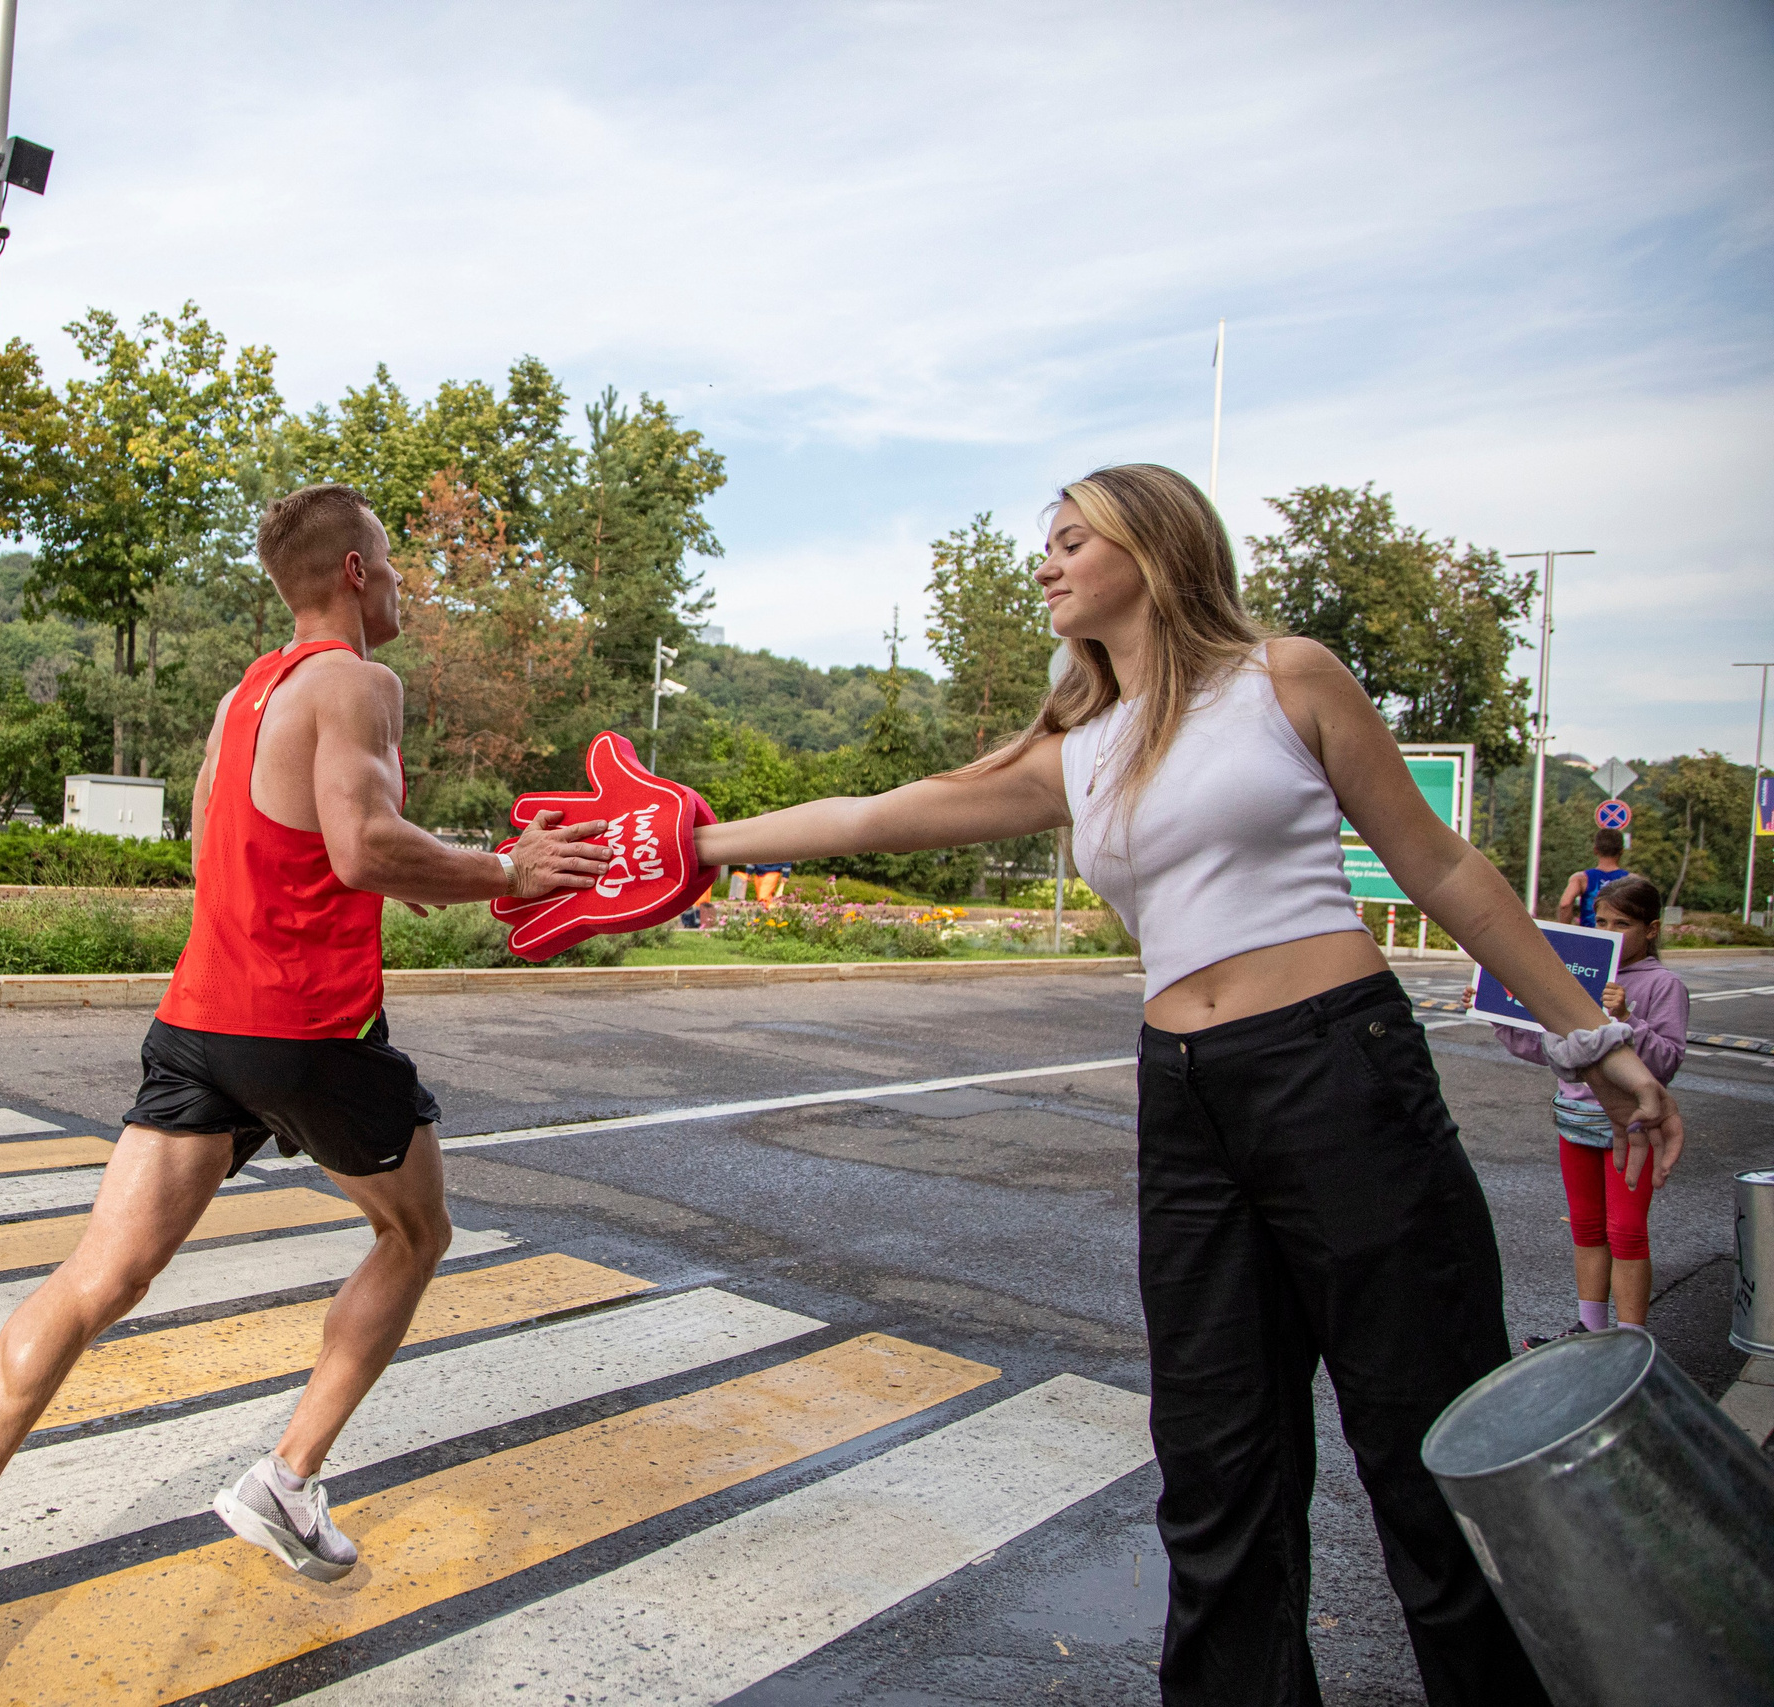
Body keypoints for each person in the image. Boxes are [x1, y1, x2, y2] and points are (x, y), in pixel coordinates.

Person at [691, 463, 1683, 1706]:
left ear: (1152, 550)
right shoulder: (1077, 748)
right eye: (1043, 545)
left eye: (1069, 540)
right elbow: (870, 818)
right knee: (1216, 1468)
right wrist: (688, 845)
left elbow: (1439, 866)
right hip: (1187, 1098)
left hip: (1340, 1072)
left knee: (1420, 1451)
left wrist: (1595, 1039)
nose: (1044, 564)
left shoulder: (1285, 678)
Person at [0, 483, 609, 1696]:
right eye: (394, 562)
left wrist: (428, 874)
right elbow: (359, 844)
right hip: (304, 1026)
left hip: (199, 1018)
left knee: (100, 1274)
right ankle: (285, 1482)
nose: (406, 582)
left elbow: (264, 843)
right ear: (353, 573)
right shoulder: (360, 681)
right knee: (416, 1233)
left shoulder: (245, 693)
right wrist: (506, 870)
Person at [1502, 873, 1687, 1346]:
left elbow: (1665, 1063)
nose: (1608, 931)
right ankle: (1591, 1328)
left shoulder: (1664, 985)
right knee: (1586, 1227)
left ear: (1651, 929)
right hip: (1575, 1121)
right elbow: (1548, 1047)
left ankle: (1630, 1343)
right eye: (1600, 920)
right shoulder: (1577, 974)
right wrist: (1501, 1018)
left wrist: (1628, 1020)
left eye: (1622, 923)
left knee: (1625, 1231)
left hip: (1631, 1127)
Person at [1553, 826, 1633, 926]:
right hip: (1619, 938)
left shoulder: (1581, 878)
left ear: (1595, 850)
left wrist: (1563, 932)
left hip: (1589, 938)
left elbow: (1565, 904)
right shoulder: (1632, 881)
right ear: (1621, 851)